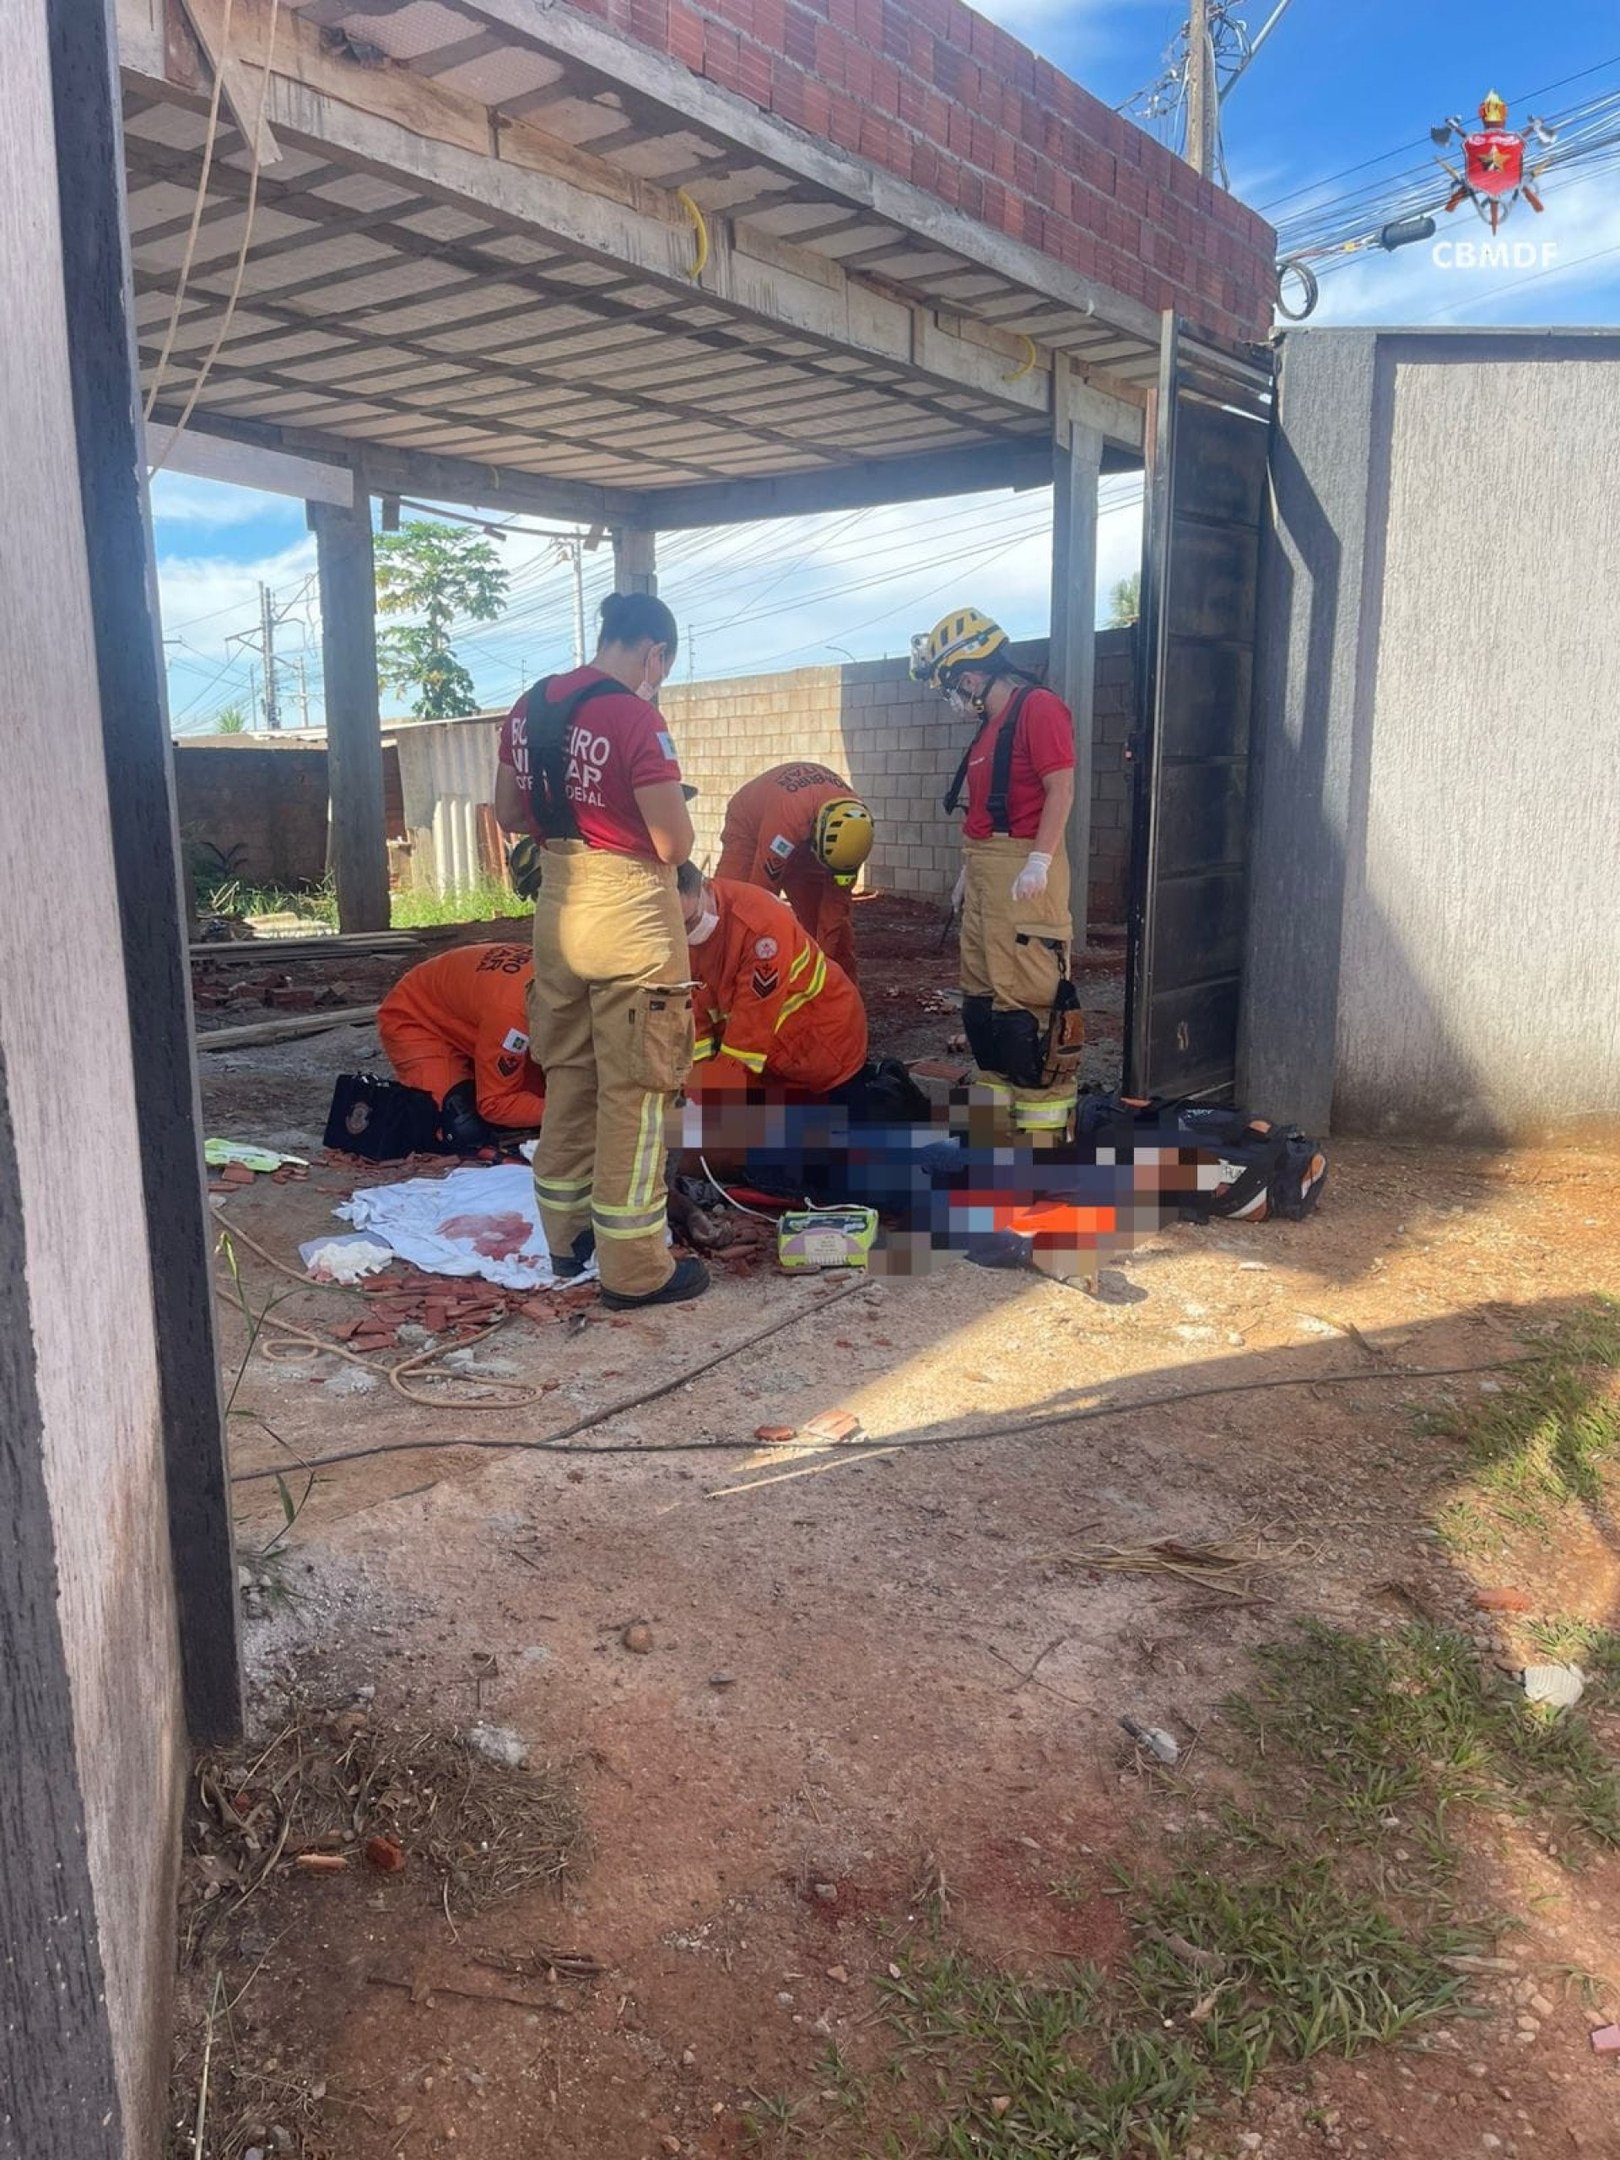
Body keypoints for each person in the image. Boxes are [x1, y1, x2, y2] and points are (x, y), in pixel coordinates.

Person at [494, 592, 707, 1309]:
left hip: (560, 906)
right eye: (663, 666)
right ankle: (636, 1269)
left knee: (572, 1074)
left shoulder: (528, 706)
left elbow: (509, 814)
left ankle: (567, 1240)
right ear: (654, 653)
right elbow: (674, 843)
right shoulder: (635, 715)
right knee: (639, 1091)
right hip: (631, 916)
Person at [911, 607, 1083, 1142]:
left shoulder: (1039, 709)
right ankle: (992, 1139)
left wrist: (1040, 859)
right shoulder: (989, 729)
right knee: (983, 1007)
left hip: (1024, 871)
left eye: (955, 685)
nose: (957, 697)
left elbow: (1062, 789)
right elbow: (986, 812)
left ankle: (1041, 1144)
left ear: (972, 671)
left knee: (1027, 1012)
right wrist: (969, 872)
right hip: (987, 871)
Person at [676, 864, 867, 1099]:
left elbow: (747, 1035)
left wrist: (704, 1104)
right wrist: (694, 1081)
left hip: (824, 1045)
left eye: (691, 920)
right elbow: (694, 1015)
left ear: (706, 886)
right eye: (677, 927)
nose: (686, 933)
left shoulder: (761, 928)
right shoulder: (673, 935)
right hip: (771, 1059)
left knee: (843, 1130)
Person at [377, 943, 543, 1151]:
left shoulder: (567, 981)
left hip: (473, 1013)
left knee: (545, 1099)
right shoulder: (512, 1016)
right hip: (417, 1018)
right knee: (458, 1128)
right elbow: (495, 1104)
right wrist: (573, 1112)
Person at [715, 762, 874, 980]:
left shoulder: (855, 834)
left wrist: (823, 968)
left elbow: (836, 906)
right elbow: (761, 894)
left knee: (835, 934)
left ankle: (841, 996)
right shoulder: (785, 822)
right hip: (749, 825)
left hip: (807, 829)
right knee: (732, 909)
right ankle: (725, 987)